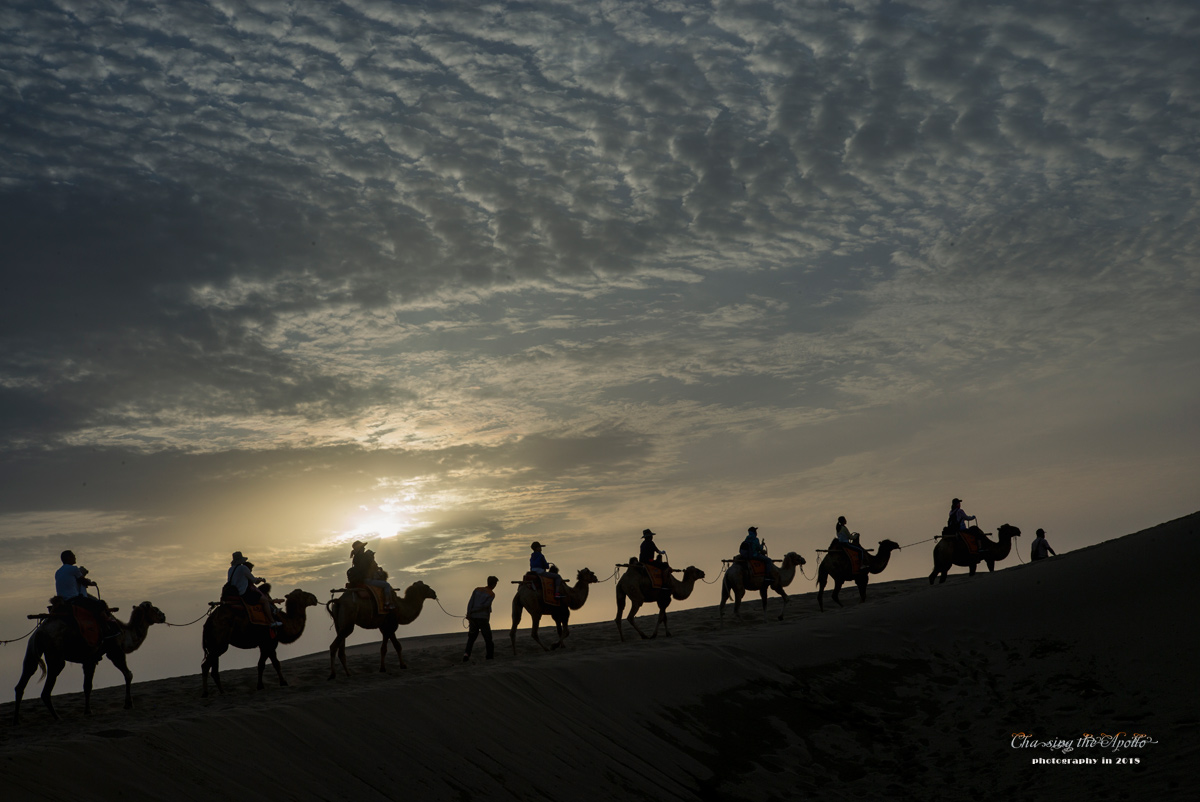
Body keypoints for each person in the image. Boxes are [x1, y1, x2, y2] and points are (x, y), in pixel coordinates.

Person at [55, 550, 117, 636]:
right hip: (73, 599)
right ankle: (107, 622)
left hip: (63, 600)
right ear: (68, 558)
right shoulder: (74, 569)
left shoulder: (58, 572)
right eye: (73, 555)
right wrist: (92, 583)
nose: (75, 557)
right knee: (100, 604)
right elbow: (83, 581)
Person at [228, 552, 281, 626]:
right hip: (243, 593)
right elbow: (254, 581)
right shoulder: (243, 568)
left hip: (234, 593)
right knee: (265, 601)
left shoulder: (230, 569)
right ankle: (272, 621)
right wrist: (260, 580)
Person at [348, 541, 396, 610]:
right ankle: (387, 604)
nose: (364, 548)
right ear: (360, 548)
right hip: (367, 580)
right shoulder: (365, 557)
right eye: (362, 547)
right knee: (386, 585)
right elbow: (374, 567)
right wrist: (371, 557)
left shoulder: (355, 558)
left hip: (359, 580)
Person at [463, 576, 498, 662]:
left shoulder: (477, 589)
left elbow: (470, 602)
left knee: (471, 638)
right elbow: (485, 606)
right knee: (488, 639)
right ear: (494, 584)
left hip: (473, 618)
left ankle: (466, 655)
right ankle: (489, 657)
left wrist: (469, 613)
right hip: (483, 619)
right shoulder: (491, 594)